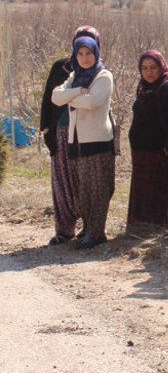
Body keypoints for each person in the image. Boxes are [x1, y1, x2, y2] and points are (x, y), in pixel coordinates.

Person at [51, 35, 115, 249]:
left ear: (96, 53)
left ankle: (97, 233)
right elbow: (55, 97)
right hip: (77, 141)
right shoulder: (75, 77)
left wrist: (70, 98)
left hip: (97, 141)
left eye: (89, 53)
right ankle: (88, 229)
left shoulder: (103, 76)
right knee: (83, 189)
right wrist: (77, 92)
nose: (85, 58)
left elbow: (94, 101)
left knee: (97, 189)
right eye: (81, 53)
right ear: (75, 55)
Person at [43, 26, 101, 245]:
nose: (84, 55)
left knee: (85, 181)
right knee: (62, 180)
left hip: (87, 134)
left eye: (89, 48)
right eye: (80, 48)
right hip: (60, 130)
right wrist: (45, 128)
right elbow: (50, 98)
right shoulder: (61, 67)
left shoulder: (100, 73)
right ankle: (65, 229)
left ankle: (89, 229)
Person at [127, 50, 168, 229]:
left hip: (160, 154)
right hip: (142, 154)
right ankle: (139, 230)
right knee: (143, 195)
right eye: (144, 68)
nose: (149, 72)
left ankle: (159, 232)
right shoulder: (144, 88)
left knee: (158, 196)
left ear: (161, 67)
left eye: (153, 67)